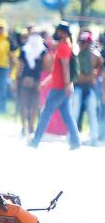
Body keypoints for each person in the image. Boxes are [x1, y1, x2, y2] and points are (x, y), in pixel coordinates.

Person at [29, 21, 81, 150]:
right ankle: (75, 142)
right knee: (66, 115)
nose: (57, 33)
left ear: (62, 33)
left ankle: (35, 140)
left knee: (46, 113)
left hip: (60, 88)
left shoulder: (63, 47)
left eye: (58, 31)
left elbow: (65, 67)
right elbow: (57, 71)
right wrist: (46, 82)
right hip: (62, 86)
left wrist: (67, 84)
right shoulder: (66, 46)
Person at [71, 31, 103, 146]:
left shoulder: (95, 56)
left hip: (90, 87)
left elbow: (100, 64)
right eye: (82, 42)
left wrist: (96, 75)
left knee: (92, 113)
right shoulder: (76, 54)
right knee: (74, 112)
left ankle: (94, 138)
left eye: (86, 42)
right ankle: (72, 136)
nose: (84, 45)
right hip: (78, 86)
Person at [17, 28, 50, 136]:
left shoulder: (24, 49)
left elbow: (19, 67)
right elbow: (46, 67)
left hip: (25, 79)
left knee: (25, 105)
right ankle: (30, 127)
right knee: (34, 106)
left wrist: (17, 79)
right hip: (36, 80)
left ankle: (23, 127)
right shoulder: (43, 50)